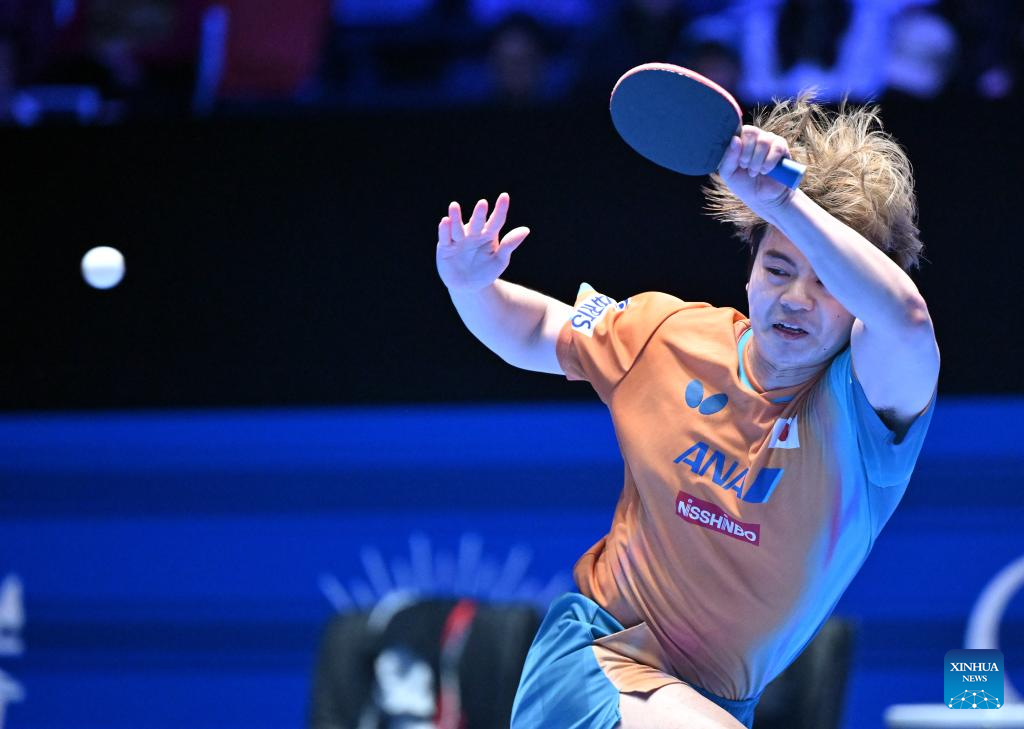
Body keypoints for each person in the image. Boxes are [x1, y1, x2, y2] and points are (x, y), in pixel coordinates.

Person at [434, 95, 939, 728]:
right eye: (778, 269)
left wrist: (784, 202)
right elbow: (537, 328)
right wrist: (471, 286)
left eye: (827, 284)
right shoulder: (664, 334)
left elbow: (905, 318)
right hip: (597, 656)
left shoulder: (865, 414)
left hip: (716, 702)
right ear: (750, 271)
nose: (795, 299)